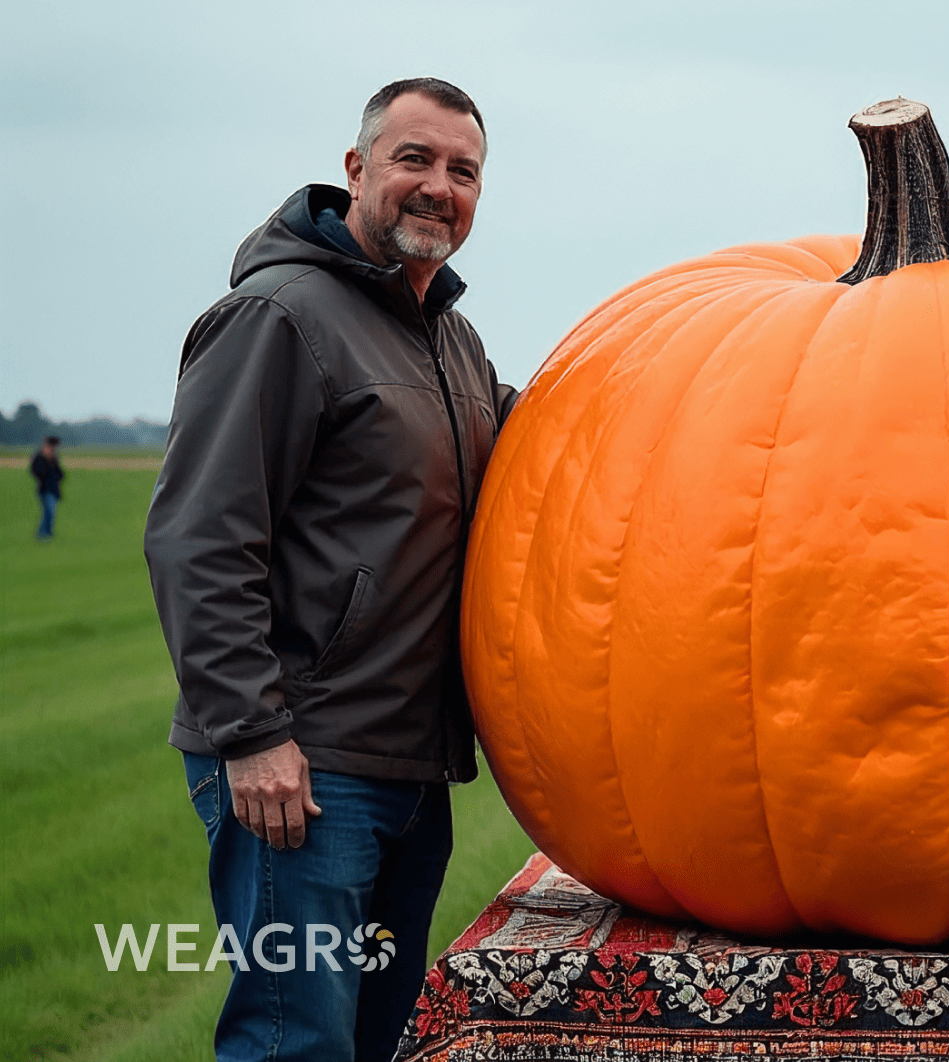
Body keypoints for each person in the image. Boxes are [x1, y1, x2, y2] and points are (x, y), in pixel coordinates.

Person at [145, 78, 515, 1062]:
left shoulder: (453, 342)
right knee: (293, 1041)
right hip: (303, 774)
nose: (438, 186)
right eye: (414, 160)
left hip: (408, 766)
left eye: (462, 170)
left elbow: (527, 452)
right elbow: (200, 538)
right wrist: (253, 736)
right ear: (357, 170)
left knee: (374, 1037)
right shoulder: (279, 318)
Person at [29, 434, 62, 539]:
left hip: (53, 489)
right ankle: (42, 534)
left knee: (50, 513)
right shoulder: (39, 457)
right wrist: (46, 460)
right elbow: (36, 472)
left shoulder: (53, 458)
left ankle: (48, 533)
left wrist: (52, 461)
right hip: (44, 489)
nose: (54, 449)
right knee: (48, 511)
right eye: (53, 447)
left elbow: (60, 474)